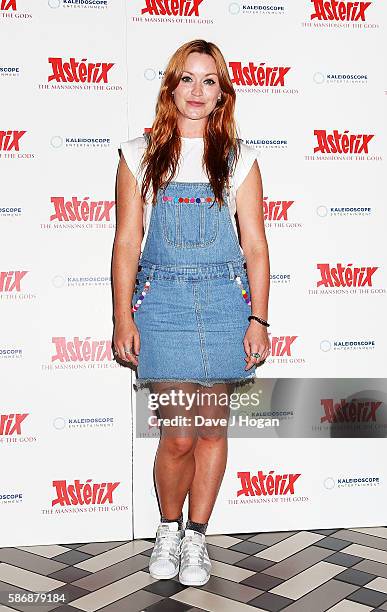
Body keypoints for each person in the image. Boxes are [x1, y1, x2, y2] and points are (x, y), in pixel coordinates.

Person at [112, 39, 270, 586]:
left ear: (223, 91)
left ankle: (197, 539)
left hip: (227, 303)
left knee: (211, 430)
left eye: (209, 80)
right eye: (187, 78)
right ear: (171, 86)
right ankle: (168, 529)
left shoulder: (240, 157)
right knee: (178, 434)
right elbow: (127, 242)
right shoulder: (138, 154)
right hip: (164, 304)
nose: (197, 91)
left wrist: (259, 319)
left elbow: (255, 246)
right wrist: (122, 318)